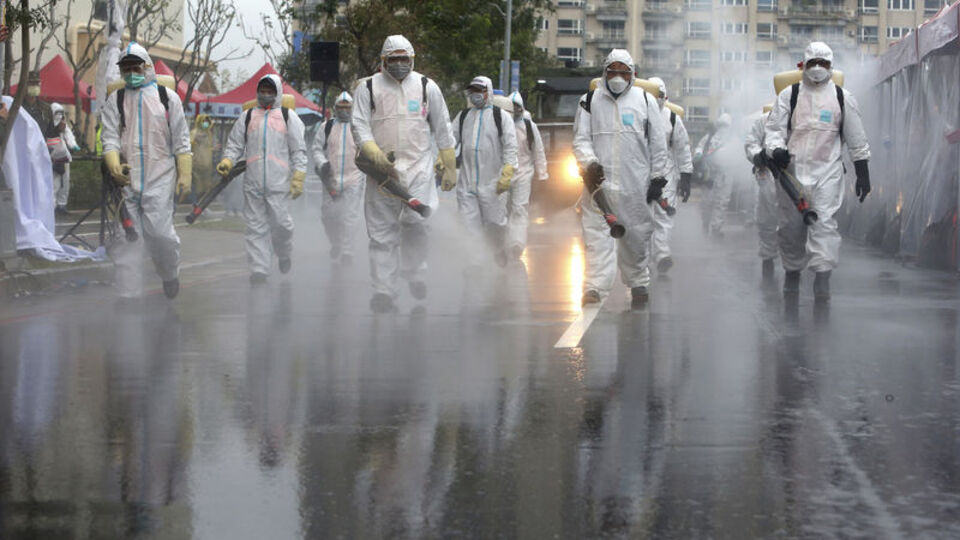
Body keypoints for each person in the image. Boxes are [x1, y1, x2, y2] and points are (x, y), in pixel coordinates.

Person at [352, 34, 457, 313]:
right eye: (393, 59)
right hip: (381, 171)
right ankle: (384, 291)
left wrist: (449, 162)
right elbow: (359, 125)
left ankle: (416, 273)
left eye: (404, 59)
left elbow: (443, 126)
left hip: (419, 169)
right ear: (383, 61)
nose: (399, 64)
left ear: (412, 60)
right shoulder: (368, 88)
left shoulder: (426, 86)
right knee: (381, 234)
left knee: (416, 225)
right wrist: (372, 151)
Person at [764, 42, 871, 300]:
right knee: (790, 227)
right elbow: (774, 130)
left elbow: (856, 138)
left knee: (823, 225)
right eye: (813, 63)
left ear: (831, 66)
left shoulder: (842, 97)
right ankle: (792, 273)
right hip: (792, 172)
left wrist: (863, 172)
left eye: (823, 64)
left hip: (828, 172)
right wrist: (776, 149)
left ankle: (822, 278)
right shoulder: (789, 95)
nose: (818, 69)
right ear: (804, 65)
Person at [573, 49, 669, 308]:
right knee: (596, 237)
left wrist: (658, 177)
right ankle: (594, 286)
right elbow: (581, 139)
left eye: (623, 72)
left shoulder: (646, 101)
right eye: (612, 71)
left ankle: (638, 281)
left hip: (635, 184)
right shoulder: (590, 101)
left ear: (632, 75)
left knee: (637, 236)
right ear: (604, 72)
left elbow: (658, 144)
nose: (617, 76)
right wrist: (589, 163)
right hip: (598, 186)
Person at [101, 43, 192, 299]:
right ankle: (128, 298)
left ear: (147, 66)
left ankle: (169, 272)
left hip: (160, 177)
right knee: (127, 238)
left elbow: (182, 141)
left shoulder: (167, 98)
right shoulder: (116, 99)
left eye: (135, 66)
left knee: (161, 235)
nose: (131, 72)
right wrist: (113, 164)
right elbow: (109, 137)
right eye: (126, 68)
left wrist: (185, 174)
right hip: (126, 180)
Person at [218, 74, 307, 284]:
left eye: (270, 91)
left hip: (279, 183)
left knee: (282, 225)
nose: (266, 95)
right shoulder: (248, 117)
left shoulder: (288, 117)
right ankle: (259, 269)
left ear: (277, 93)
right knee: (255, 227)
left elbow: (299, 150)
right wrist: (228, 161)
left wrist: (298, 176)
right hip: (253, 183)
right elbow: (235, 145)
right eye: (263, 91)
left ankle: (283, 252)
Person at [453, 76, 518, 267]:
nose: (475, 95)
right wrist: (443, 159)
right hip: (467, 183)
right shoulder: (464, 116)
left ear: (488, 92)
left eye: (479, 91)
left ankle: (498, 251)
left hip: (492, 183)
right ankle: (476, 265)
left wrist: (508, 170)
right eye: (472, 91)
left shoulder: (501, 117)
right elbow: (450, 140)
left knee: (495, 224)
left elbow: (510, 147)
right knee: (468, 226)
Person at [312, 91, 365, 266]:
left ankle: (347, 251)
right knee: (329, 216)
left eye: (347, 107)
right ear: (335, 108)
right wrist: (322, 163)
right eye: (340, 107)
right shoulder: (326, 127)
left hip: (354, 178)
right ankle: (335, 242)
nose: (344, 111)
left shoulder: (359, 127)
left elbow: (367, 149)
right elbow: (316, 148)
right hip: (331, 179)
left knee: (350, 216)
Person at [646, 76, 692, 274]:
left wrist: (686, 176)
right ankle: (644, 262)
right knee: (643, 217)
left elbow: (683, 148)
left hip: (666, 175)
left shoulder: (673, 118)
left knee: (664, 215)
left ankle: (662, 254)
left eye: (660, 95)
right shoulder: (637, 115)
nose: (657, 99)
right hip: (640, 173)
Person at [502, 91, 548, 260]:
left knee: (519, 209)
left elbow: (538, 150)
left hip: (523, 174)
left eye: (517, 107)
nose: (514, 111)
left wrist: (542, 173)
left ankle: (517, 244)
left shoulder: (529, 126)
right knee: (501, 210)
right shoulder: (501, 123)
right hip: (503, 174)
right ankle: (502, 242)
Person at [744, 105, 778, 282]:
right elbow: (751, 143)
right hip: (768, 175)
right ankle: (768, 259)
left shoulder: (803, 117)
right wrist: (758, 156)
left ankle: (794, 269)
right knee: (767, 219)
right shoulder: (763, 120)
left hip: (797, 176)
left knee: (795, 223)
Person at [694, 113, 735, 238]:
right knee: (707, 201)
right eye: (722, 125)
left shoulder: (733, 140)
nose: (724, 128)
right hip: (710, 174)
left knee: (722, 202)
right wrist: (698, 155)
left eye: (726, 125)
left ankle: (717, 227)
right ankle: (705, 223)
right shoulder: (709, 138)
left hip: (726, 174)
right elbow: (700, 148)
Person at [49, 102, 80, 215]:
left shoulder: (63, 126)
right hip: (52, 159)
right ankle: (52, 206)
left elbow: (69, 135)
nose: (61, 121)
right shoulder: (48, 127)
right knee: (54, 184)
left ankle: (62, 204)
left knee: (65, 182)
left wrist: (73, 145)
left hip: (64, 158)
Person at [190, 113, 216, 203]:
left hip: (207, 165)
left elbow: (207, 147)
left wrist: (213, 149)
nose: (206, 123)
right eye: (204, 121)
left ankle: (202, 205)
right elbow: (189, 146)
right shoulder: (194, 133)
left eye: (207, 122)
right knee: (197, 186)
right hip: (196, 164)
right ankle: (195, 204)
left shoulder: (208, 134)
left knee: (206, 186)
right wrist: (194, 142)